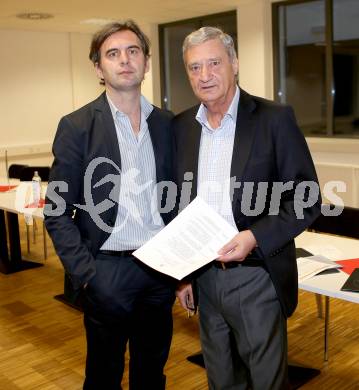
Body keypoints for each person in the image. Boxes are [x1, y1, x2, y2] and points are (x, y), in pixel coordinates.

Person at [173, 26, 321, 390]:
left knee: (266, 382)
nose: (204, 75)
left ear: (234, 64)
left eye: (214, 63)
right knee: (221, 380)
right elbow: (180, 205)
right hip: (205, 278)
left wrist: (254, 236)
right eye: (194, 67)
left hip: (256, 277)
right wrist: (183, 273)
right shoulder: (182, 127)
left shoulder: (273, 119)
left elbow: (307, 198)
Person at [45, 20, 175, 390]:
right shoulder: (77, 126)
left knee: (152, 373)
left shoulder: (168, 124)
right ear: (99, 68)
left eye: (133, 51)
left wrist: (183, 270)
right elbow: (57, 211)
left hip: (160, 270)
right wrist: (87, 274)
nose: (125, 60)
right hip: (107, 271)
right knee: (103, 375)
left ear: (147, 62)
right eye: (113, 54)